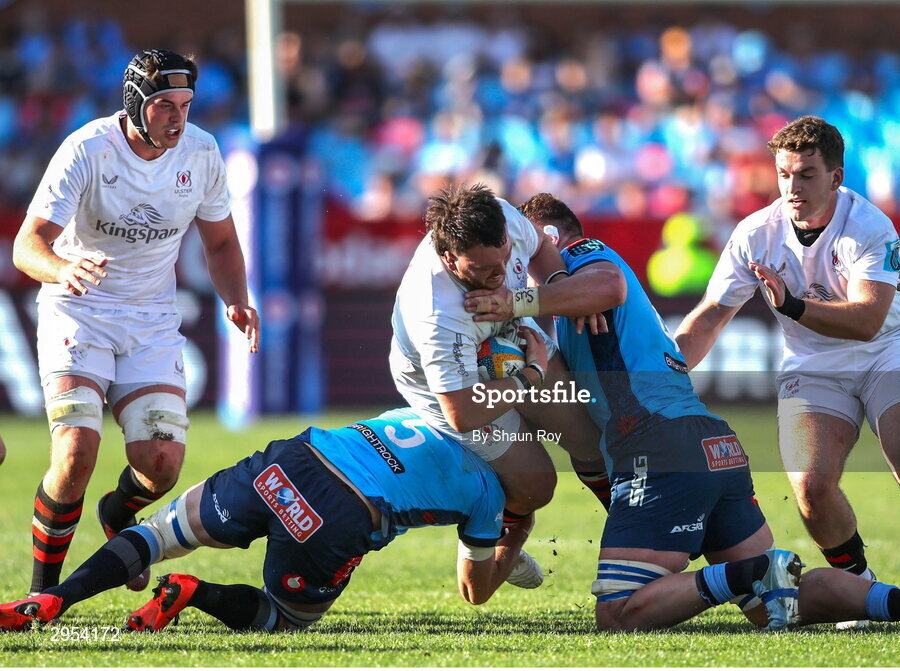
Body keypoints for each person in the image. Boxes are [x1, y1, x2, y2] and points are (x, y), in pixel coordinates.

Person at [463, 193, 900, 634]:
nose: (514, 268)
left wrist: (519, 308)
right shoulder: (564, 303)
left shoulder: (581, 254)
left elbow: (606, 285)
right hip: (708, 444)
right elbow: (576, 416)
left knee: (618, 613)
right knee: (768, 605)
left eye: (520, 251)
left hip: (660, 444)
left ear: (548, 240)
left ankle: (749, 571)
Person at [671, 116, 900, 614]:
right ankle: (859, 589)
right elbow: (711, 317)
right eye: (783, 174)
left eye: (806, 175)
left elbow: (866, 321)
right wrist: (663, 374)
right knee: (810, 487)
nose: (792, 188)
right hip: (813, 360)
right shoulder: (755, 232)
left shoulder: (868, 225)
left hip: (887, 349)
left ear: (836, 178)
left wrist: (793, 304)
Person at [11, 49, 260, 596]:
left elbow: (220, 242)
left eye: (186, 105)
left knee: (162, 465)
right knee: (75, 452)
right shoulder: (87, 148)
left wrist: (236, 299)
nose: (178, 117)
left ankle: (116, 512)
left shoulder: (202, 152)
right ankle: (42, 595)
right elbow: (26, 247)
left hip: (150, 319)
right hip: (79, 309)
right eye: (165, 105)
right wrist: (63, 266)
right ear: (134, 104)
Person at [0, 408, 537, 633]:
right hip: (338, 513)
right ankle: (192, 593)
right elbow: (474, 591)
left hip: (295, 459)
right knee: (290, 618)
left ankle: (53, 599)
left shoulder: (425, 408)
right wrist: (515, 538)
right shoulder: (490, 489)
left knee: (160, 532)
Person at [390, 182, 610, 538]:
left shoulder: (503, 216)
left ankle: (628, 530)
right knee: (536, 486)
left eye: (505, 257)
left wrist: (564, 289)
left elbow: (540, 247)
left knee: (591, 441)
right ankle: (488, 532)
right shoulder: (435, 314)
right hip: (449, 387)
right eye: (483, 269)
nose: (501, 274)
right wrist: (531, 375)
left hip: (507, 337)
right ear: (449, 258)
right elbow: (462, 413)